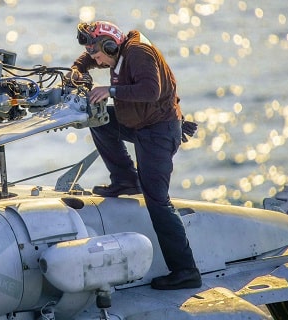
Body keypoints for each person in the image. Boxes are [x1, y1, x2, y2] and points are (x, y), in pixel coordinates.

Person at [68, 20, 201, 290]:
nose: (96, 61)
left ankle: (186, 271)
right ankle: (126, 181)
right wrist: (77, 70)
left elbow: (151, 90)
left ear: (109, 45)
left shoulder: (138, 53)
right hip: (140, 123)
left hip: (158, 132)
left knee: (158, 202)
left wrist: (109, 90)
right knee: (100, 121)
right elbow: (85, 59)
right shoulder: (116, 49)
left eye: (98, 55)